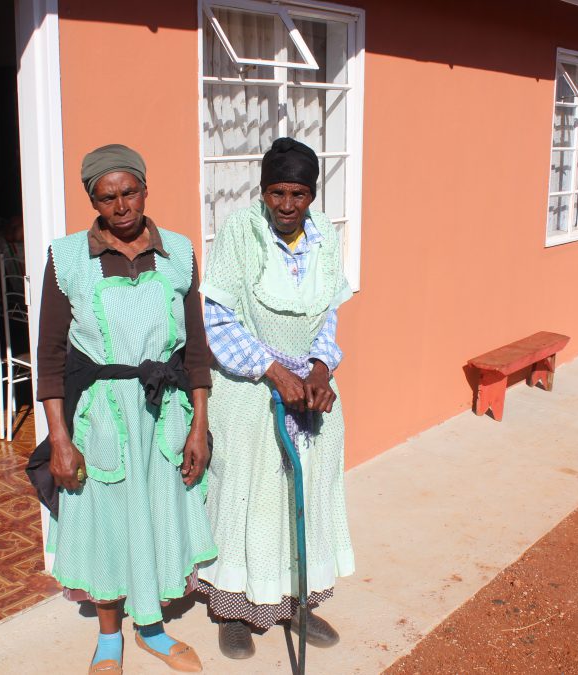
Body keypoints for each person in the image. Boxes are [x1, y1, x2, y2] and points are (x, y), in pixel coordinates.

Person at [36, 144, 217, 674]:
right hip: (102, 417)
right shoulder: (67, 258)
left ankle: (153, 630)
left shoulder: (178, 252)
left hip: (165, 413)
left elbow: (196, 352)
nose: (121, 206)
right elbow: (49, 356)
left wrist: (200, 428)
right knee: (108, 523)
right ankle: (110, 636)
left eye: (129, 192)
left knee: (159, 518)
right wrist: (61, 439)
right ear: (92, 199)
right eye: (107, 197)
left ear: (144, 187)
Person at [197, 137, 355, 658]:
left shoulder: (325, 237)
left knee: (304, 497)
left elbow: (329, 316)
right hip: (248, 389)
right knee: (246, 496)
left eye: (299, 194)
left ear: (312, 195)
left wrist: (318, 370)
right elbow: (218, 322)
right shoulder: (240, 233)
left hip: (310, 393)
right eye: (277, 193)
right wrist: (274, 372)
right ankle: (233, 610)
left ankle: (295, 605)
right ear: (262, 191)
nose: (287, 205)